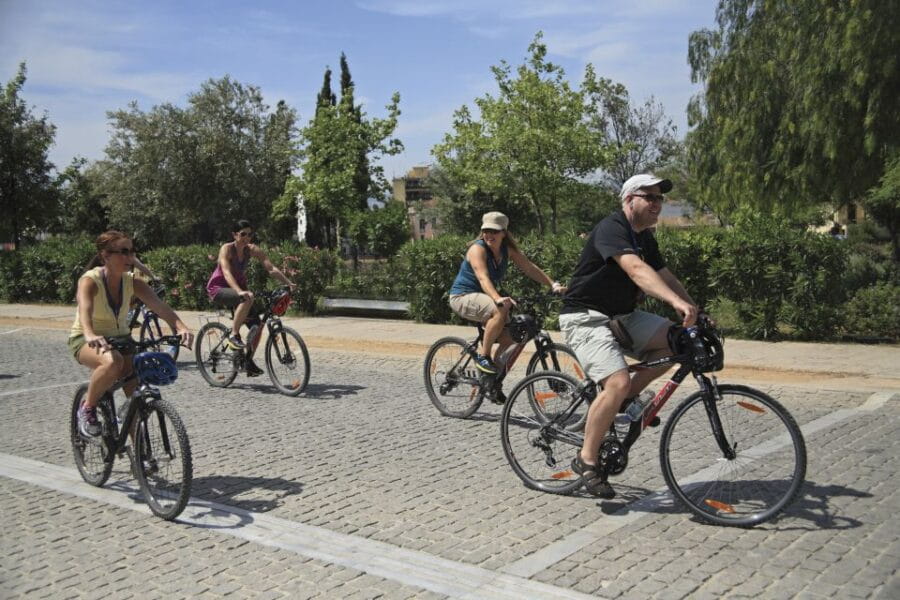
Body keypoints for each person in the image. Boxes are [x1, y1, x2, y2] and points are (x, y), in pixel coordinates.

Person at [559, 174, 702, 499]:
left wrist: (694, 308)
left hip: (622, 316)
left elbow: (663, 274)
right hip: (586, 316)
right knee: (618, 382)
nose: (656, 204)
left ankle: (620, 401)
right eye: (648, 197)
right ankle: (587, 459)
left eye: (659, 199)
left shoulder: (645, 237)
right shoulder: (612, 228)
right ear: (629, 201)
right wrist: (674, 302)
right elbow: (636, 270)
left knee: (676, 341)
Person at [69, 231, 194, 437]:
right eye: (123, 252)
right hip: (86, 338)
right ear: (105, 255)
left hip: (121, 338)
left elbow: (160, 307)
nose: (130, 257)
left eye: (132, 251)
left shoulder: (133, 282)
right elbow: (85, 309)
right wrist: (90, 333)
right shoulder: (90, 280)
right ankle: (88, 407)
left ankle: (141, 457)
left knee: (134, 396)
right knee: (112, 362)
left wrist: (180, 327)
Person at [448, 211, 565, 375]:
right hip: (462, 296)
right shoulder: (477, 249)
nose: (489, 235)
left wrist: (553, 284)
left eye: (494, 231)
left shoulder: (506, 250)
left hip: (485, 298)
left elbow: (529, 268)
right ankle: (484, 357)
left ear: (503, 232)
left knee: (514, 336)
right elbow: (483, 278)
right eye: (486, 231)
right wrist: (497, 298)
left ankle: (491, 379)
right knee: (499, 309)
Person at [205, 219, 295, 376]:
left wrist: (288, 283)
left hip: (240, 292)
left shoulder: (252, 250)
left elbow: (271, 268)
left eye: (250, 234)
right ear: (234, 235)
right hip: (219, 288)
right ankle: (234, 334)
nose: (247, 237)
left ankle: (247, 360)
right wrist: (239, 291)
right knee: (247, 297)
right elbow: (226, 272)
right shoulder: (226, 249)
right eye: (243, 234)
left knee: (257, 326)